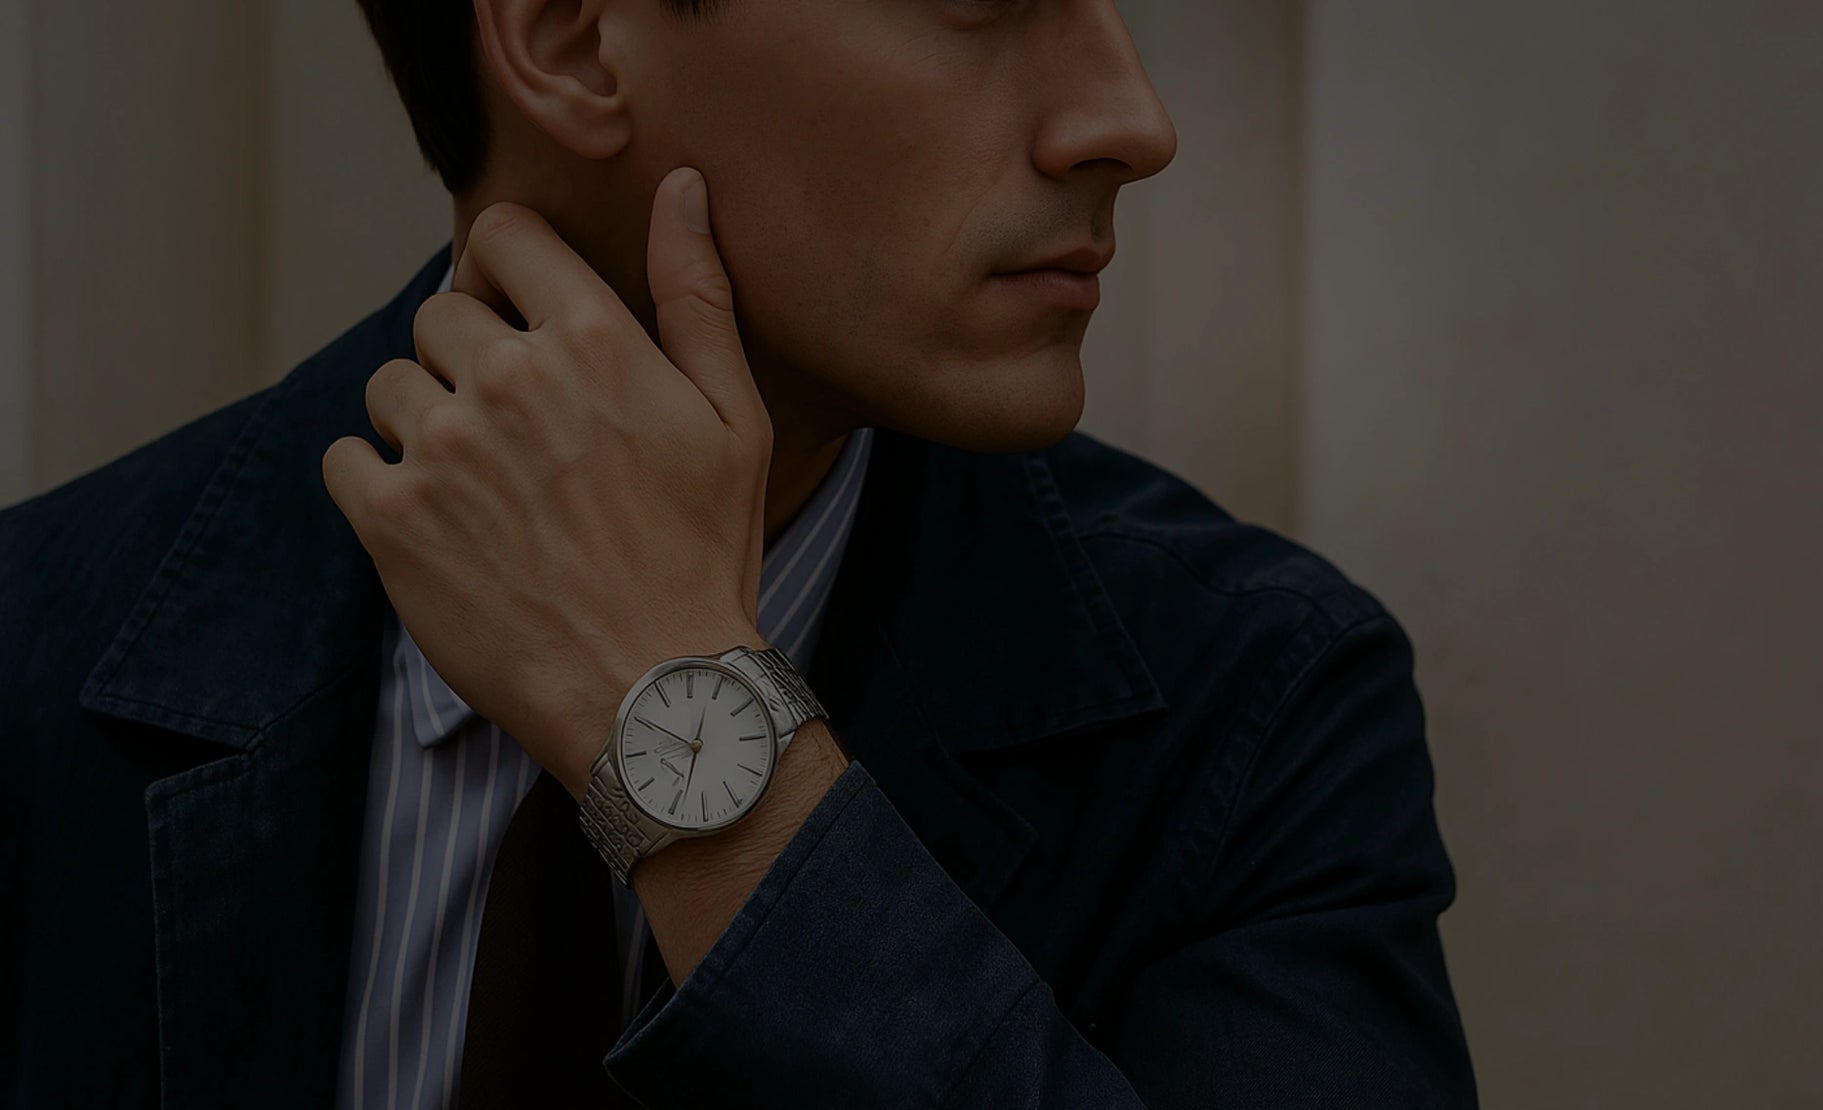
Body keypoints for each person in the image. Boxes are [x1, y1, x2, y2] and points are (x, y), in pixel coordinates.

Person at [0, 0, 1480, 1106]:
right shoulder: (31, 651)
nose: (1131, 118)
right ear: (573, 37)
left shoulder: (1265, 702)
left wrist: (687, 723)